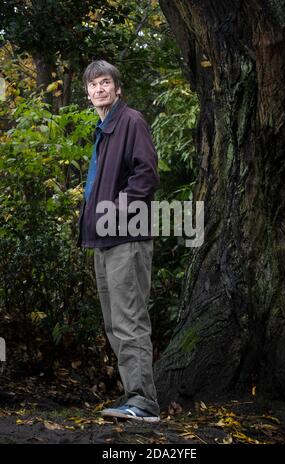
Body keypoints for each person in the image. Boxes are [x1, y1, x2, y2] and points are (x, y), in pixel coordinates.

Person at [77, 60, 160, 423]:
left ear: (117, 88)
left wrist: (115, 211)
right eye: (93, 85)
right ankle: (132, 397)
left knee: (129, 321)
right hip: (104, 240)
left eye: (105, 82)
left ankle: (144, 403)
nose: (99, 89)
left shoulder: (131, 122)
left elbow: (146, 174)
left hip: (126, 235)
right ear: (88, 93)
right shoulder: (103, 129)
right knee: (114, 323)